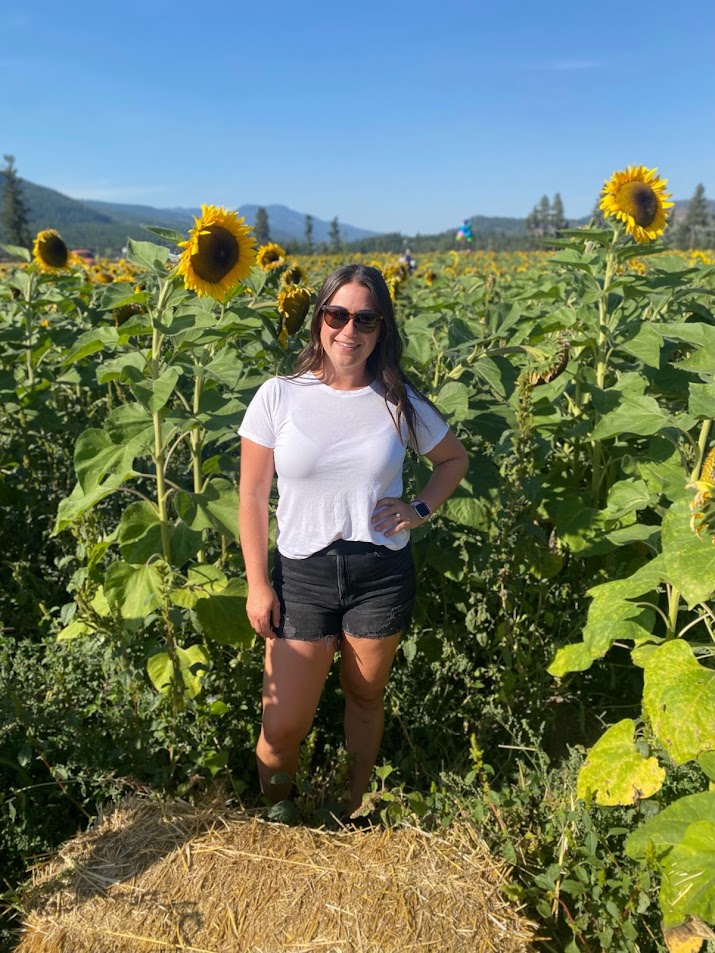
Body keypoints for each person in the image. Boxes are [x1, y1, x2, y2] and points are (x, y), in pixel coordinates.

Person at [238, 264, 468, 818]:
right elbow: (251, 496)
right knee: (281, 725)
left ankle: (351, 811)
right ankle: (280, 821)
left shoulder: (398, 400)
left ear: (381, 328)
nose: (349, 330)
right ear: (318, 319)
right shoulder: (278, 396)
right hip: (303, 577)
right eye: (337, 315)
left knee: (364, 696)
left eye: (366, 319)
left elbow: (453, 459)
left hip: (379, 574)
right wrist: (257, 585)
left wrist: (418, 509)